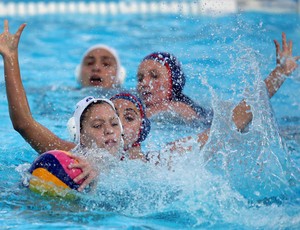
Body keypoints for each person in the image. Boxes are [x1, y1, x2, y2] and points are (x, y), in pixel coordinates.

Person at [137, 52, 213, 125]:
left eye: (154, 76)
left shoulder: (180, 107)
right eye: (140, 79)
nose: (144, 83)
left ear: (172, 82)